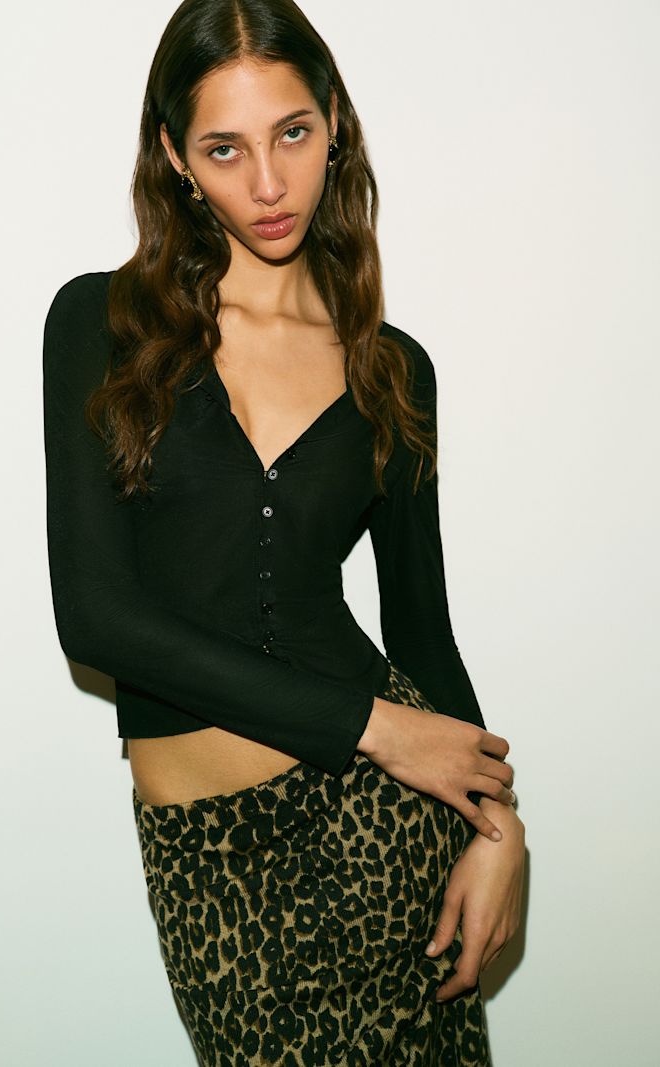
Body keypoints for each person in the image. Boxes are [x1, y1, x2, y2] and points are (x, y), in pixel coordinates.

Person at [42, 0, 526, 1062]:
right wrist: (372, 726)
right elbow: (97, 619)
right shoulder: (99, 323)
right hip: (213, 857)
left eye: (292, 134)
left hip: (387, 834)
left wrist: (498, 826)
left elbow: (423, 632)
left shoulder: (392, 368)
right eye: (225, 148)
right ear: (176, 156)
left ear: (333, 124)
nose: (268, 183)